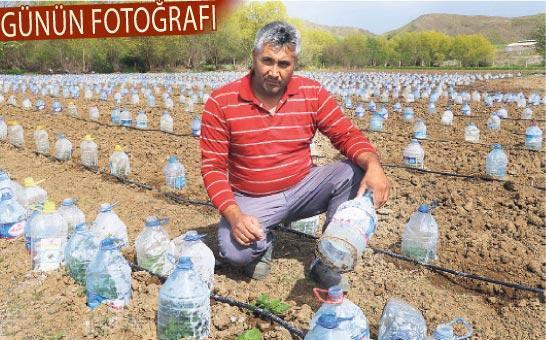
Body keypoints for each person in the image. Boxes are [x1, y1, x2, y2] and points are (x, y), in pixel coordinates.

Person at [200, 21, 390, 289]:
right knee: (235, 252)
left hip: (304, 187)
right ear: (254, 57)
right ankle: (262, 242)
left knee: (355, 172)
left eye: (284, 64)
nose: (274, 72)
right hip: (254, 196)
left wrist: (374, 165)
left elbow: (346, 135)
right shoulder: (221, 102)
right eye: (267, 61)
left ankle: (326, 261)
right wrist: (234, 216)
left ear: (294, 63)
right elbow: (213, 168)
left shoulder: (311, 93)